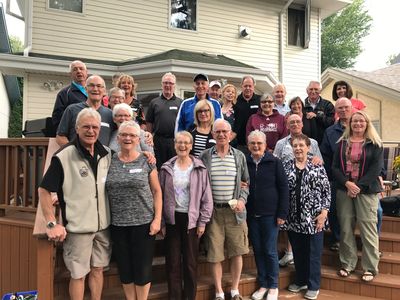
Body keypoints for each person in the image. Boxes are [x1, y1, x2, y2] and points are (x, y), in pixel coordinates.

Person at [39, 108, 112, 300]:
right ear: (77, 128)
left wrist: (147, 154)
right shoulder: (64, 156)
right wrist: (50, 222)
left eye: (95, 127)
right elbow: (44, 190)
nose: (91, 131)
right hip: (78, 229)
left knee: (98, 270)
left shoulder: (107, 154)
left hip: (103, 227)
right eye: (86, 126)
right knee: (78, 275)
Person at [105, 120, 162, 300]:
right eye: (124, 135)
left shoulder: (147, 160)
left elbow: (157, 191)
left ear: (138, 139)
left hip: (144, 223)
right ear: (118, 138)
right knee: (125, 267)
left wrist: (157, 219)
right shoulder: (108, 160)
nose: (128, 138)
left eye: (132, 135)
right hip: (118, 223)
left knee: (142, 267)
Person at [159, 131, 213, 300]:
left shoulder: (199, 167)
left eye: (186, 143)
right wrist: (161, 221)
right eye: (179, 142)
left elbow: (206, 197)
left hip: (192, 220)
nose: (182, 146)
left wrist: (203, 222)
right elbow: (159, 196)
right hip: (172, 219)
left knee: (190, 263)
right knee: (173, 264)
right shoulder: (166, 168)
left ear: (191, 145)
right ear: (175, 144)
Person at [199, 119, 250, 300]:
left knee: (237, 252)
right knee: (215, 255)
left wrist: (242, 200)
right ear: (212, 134)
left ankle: (235, 290)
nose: (221, 135)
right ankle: (219, 292)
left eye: (224, 131)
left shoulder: (239, 156)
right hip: (213, 214)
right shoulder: (205, 156)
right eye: (217, 132)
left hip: (235, 214)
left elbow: (246, 183)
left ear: (231, 134)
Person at [332, 111, 383, 283]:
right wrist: (348, 184)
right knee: (346, 228)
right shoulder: (341, 143)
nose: (358, 124)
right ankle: (348, 263)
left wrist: (358, 186)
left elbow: (375, 170)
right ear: (350, 124)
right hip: (344, 189)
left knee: (368, 229)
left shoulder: (374, 144)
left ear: (367, 123)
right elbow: (335, 168)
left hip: (366, 191)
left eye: (361, 121)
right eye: (355, 121)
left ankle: (370, 267)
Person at [283, 134, 331, 300]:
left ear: (308, 147)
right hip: (293, 218)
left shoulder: (317, 165)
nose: (298, 148)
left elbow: (326, 191)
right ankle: (301, 280)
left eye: (301, 145)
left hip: (314, 218)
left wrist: (324, 213)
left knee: (313, 253)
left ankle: (313, 285)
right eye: (295, 146)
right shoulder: (286, 165)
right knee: (298, 251)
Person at [273, 113, 322, 267]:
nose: (294, 124)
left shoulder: (312, 142)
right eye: (291, 122)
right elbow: (275, 163)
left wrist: (316, 159)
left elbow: (320, 161)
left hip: (308, 191)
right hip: (288, 189)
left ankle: (299, 256)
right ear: (287, 125)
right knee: (290, 221)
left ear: (302, 124)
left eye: (297, 122)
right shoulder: (281, 143)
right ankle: (289, 252)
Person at [246, 130, 289, 300]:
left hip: (271, 215)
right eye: (252, 143)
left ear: (265, 145)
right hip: (251, 214)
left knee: (270, 250)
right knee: (257, 250)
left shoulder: (275, 162)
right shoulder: (245, 161)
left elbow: (284, 188)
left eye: (259, 143)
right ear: (248, 145)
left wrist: (282, 213)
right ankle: (263, 284)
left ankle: (273, 286)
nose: (256, 146)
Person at [56, 75, 114, 146]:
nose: (95, 89)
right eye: (92, 86)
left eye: (99, 86)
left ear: (104, 91)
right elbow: (60, 137)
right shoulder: (72, 110)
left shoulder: (110, 114)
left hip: (103, 156)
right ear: (86, 89)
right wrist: (73, 151)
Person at [146, 72, 182, 169]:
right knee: (158, 167)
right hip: (158, 141)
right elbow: (149, 122)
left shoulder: (180, 102)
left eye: (170, 83)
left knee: (174, 167)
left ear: (174, 85)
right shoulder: (154, 102)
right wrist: (149, 138)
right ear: (162, 84)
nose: (168, 85)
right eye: (165, 83)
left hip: (174, 141)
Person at [52, 60, 88, 132]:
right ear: (70, 74)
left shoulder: (95, 91)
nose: (79, 71)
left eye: (81, 68)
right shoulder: (64, 93)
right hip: (74, 134)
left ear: (86, 72)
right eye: (75, 69)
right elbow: (57, 119)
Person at [233, 75, 261, 154]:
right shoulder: (236, 101)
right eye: (245, 86)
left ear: (253, 86)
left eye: (250, 86)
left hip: (256, 143)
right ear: (241, 86)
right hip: (240, 144)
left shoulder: (260, 100)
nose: (248, 88)